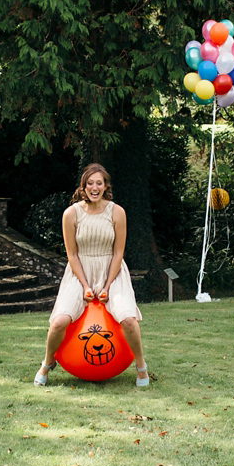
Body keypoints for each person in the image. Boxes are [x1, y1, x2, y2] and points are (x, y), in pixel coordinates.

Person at [35, 163, 149, 386]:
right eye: (90, 183)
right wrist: (86, 285)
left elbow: (118, 253)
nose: (94, 187)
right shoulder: (71, 214)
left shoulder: (117, 212)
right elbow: (72, 255)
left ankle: (141, 366)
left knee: (128, 320)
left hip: (112, 271)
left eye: (99, 183)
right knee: (59, 322)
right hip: (79, 273)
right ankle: (47, 363)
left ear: (106, 186)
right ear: (83, 186)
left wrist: (106, 286)